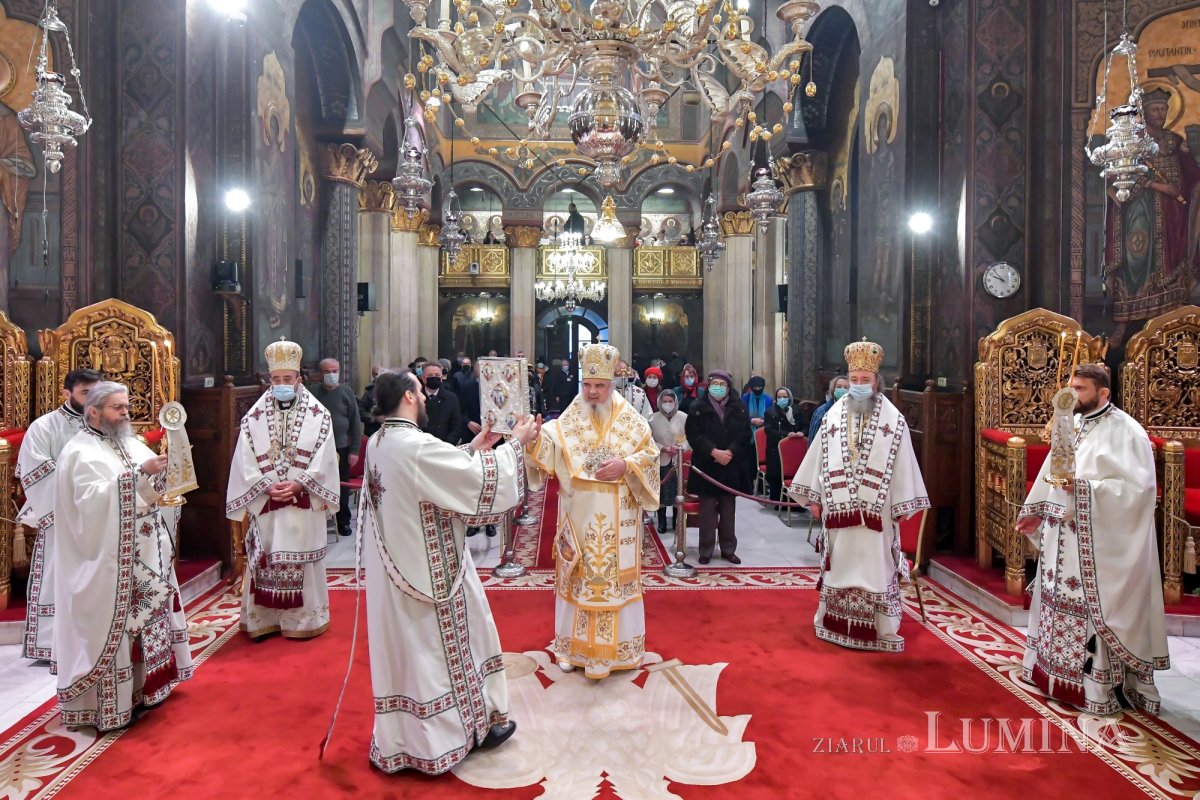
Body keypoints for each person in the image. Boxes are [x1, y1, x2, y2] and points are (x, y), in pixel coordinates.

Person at [357, 370, 537, 774]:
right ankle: (450, 738)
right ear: (408, 396)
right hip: (430, 572)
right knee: (440, 650)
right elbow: (472, 481)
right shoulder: (412, 445)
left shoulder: (380, 442)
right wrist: (515, 447)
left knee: (407, 657)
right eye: (419, 390)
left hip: (396, 574)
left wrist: (476, 445)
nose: (423, 396)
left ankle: (405, 742)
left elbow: (438, 471)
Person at [1014, 364, 1169, 714]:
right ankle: (1050, 674)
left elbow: (1139, 492)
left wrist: (1082, 490)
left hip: (1100, 545)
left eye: (1081, 389)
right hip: (1062, 538)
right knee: (1054, 596)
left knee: (1090, 610)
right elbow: (1051, 470)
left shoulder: (1127, 432)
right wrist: (1035, 510)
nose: (1073, 395)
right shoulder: (1072, 424)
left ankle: (1095, 687)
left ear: (1103, 393)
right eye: (1071, 387)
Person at [53, 382, 192, 730]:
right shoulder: (79, 453)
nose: (126, 413)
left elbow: (147, 492)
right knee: (120, 627)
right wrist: (140, 474)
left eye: (126, 406)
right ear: (95, 412)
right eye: (118, 408)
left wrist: (163, 471)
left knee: (146, 622)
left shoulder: (130, 441)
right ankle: (112, 705)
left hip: (146, 550)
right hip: (109, 559)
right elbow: (92, 504)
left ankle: (147, 689)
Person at [527, 344, 660, 678]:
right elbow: (547, 447)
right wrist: (530, 440)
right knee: (577, 580)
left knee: (612, 583)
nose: (592, 391)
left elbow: (651, 456)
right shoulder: (569, 418)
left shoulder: (632, 419)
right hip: (579, 517)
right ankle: (572, 648)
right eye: (587, 384)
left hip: (620, 521)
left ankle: (616, 653)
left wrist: (626, 465)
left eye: (599, 385)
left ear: (612, 382)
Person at [790, 339, 929, 653]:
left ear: (876, 382)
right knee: (838, 565)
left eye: (865, 381)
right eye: (854, 381)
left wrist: (900, 505)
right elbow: (818, 457)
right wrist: (814, 499)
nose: (859, 386)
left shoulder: (894, 421)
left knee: (875, 568)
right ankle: (833, 623)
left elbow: (904, 463)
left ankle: (880, 630)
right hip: (838, 513)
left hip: (876, 517)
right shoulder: (831, 417)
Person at [227, 338, 341, 640]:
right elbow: (244, 458)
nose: (280, 384)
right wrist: (266, 486)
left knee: (301, 557)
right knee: (265, 557)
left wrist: (299, 483)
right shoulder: (253, 417)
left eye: (286, 379)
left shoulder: (320, 416)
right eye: (275, 379)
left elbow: (325, 456)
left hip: (302, 499)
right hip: (268, 500)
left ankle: (303, 621)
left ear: (298, 380)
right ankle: (264, 619)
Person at [15, 368, 101, 664]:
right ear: (67, 393)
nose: (94, 399)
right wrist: (82, 489)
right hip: (61, 517)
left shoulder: (104, 423)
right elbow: (35, 471)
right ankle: (51, 644)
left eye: (97, 392)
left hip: (100, 516)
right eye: (86, 393)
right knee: (58, 573)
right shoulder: (44, 427)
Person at [1105, 88, 1200, 347]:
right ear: (1145, 112)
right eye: (1156, 109)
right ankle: (1123, 324)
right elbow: (1121, 177)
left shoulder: (1174, 141)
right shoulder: (1133, 142)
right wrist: (1158, 187)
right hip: (1140, 211)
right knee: (1135, 261)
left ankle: (1170, 324)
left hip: (1172, 215)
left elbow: (1192, 175)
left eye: (1164, 109)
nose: (1161, 113)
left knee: (1171, 260)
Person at [684, 370, 751, 565]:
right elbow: (694, 434)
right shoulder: (698, 406)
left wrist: (730, 452)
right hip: (707, 464)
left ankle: (728, 549)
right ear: (709, 385)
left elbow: (745, 434)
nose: (719, 388)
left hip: (730, 465)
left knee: (728, 510)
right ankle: (705, 549)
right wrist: (713, 452)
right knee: (707, 512)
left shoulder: (739, 407)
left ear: (729, 387)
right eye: (716, 384)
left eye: (723, 385)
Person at [310, 357, 362, 537]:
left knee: (341, 486)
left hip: (341, 447)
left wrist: (354, 450)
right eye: (327, 372)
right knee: (317, 483)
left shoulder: (346, 392)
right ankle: (318, 521)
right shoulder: (312, 392)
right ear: (321, 373)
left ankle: (343, 521)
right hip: (317, 448)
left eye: (334, 371)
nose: (331, 375)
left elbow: (355, 422)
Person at [649, 389, 688, 532]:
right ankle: (662, 521)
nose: (667, 404)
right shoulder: (652, 418)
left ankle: (678, 521)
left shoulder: (683, 417)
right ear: (660, 402)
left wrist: (679, 448)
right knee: (662, 492)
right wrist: (663, 448)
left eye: (670, 402)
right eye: (664, 402)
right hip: (661, 459)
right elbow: (649, 440)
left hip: (679, 459)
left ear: (675, 402)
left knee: (678, 491)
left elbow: (689, 437)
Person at [763, 386, 803, 502]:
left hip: (793, 450)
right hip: (775, 449)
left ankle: (793, 502)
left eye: (785, 397)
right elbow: (769, 431)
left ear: (789, 398)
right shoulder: (770, 412)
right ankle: (777, 501)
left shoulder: (796, 410)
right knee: (777, 475)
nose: (782, 399)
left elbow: (804, 426)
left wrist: (801, 432)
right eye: (779, 397)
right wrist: (787, 435)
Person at [420, 361, 464, 444]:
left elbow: (457, 425)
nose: (434, 378)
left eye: (437, 375)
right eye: (430, 375)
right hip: (422, 446)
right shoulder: (417, 398)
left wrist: (447, 444)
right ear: (423, 378)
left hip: (445, 445)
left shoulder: (451, 398)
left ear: (441, 378)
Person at [807, 375, 848, 442]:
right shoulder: (821, 411)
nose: (842, 389)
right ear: (833, 390)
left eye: (846, 387)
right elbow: (814, 438)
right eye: (839, 387)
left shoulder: (855, 411)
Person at [359, 365, 383, 437]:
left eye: (381, 373)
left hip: (388, 430)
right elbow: (360, 410)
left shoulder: (391, 390)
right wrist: (371, 417)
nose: (378, 375)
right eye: (376, 374)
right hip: (372, 431)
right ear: (373, 375)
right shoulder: (369, 393)